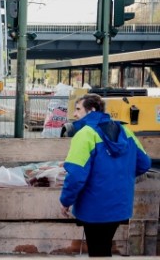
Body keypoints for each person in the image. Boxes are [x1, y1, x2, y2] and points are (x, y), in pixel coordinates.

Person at [59, 93, 151, 257]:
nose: (74, 114)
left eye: (78, 109)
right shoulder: (126, 131)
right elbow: (144, 163)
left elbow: (76, 176)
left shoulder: (86, 134)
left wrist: (66, 201)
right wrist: (118, 174)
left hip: (93, 207)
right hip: (119, 205)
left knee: (97, 251)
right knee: (103, 248)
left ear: (92, 110)